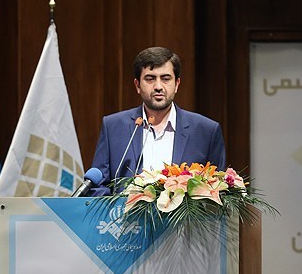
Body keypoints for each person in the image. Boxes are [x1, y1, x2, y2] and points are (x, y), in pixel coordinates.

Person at [89, 46, 226, 196]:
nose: (158, 86)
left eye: (166, 79)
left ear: (177, 84)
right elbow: (98, 186)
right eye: (150, 79)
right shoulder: (113, 127)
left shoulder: (206, 131)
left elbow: (217, 190)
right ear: (137, 85)